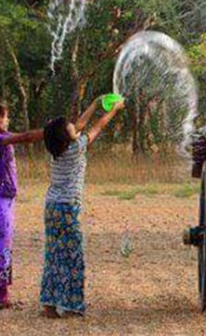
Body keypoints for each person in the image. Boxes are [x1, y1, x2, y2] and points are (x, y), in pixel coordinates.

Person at [39, 95, 125, 317]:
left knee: (53, 255)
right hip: (68, 208)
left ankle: (49, 304)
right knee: (73, 256)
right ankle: (70, 306)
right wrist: (114, 109)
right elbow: (97, 126)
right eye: (69, 126)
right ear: (66, 135)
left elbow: (79, 125)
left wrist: (95, 104)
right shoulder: (76, 148)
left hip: (51, 207)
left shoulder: (56, 149)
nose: (73, 125)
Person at [0, 103, 44, 309]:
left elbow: (26, 136)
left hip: (2, 199)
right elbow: (26, 137)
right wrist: (51, 132)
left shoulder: (0, 137)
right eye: (5, 117)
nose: (7, 121)